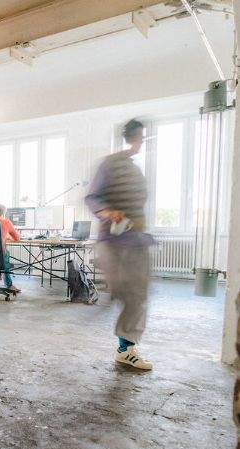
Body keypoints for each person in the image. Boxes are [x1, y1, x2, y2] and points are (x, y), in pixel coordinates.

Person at [85, 119, 154, 370]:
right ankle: (125, 346)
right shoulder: (111, 164)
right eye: (139, 137)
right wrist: (108, 212)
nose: (141, 142)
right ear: (131, 137)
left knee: (138, 296)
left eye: (143, 138)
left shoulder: (135, 169)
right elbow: (92, 197)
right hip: (113, 241)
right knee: (125, 292)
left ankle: (126, 349)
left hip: (136, 240)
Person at [0, 204, 21, 293]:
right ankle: (9, 285)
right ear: (4, 213)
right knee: (5, 253)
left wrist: (5, 236)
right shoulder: (6, 222)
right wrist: (7, 236)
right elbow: (17, 238)